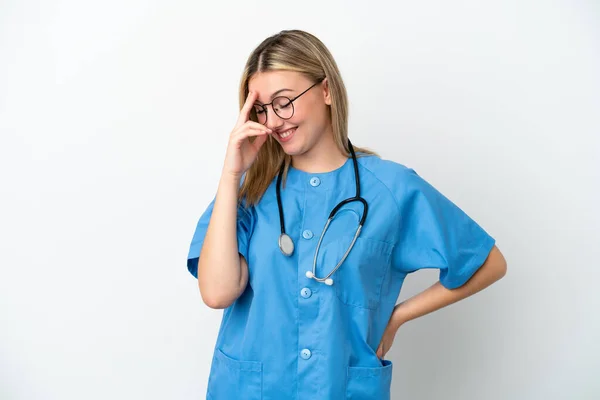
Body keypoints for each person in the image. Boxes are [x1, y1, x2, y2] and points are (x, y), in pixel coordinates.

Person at [186, 29, 507, 400]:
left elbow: (488, 262)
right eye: (262, 108)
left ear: (326, 91)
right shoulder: (248, 193)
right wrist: (232, 174)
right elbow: (217, 292)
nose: (274, 120)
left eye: (284, 101)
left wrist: (398, 317)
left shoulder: (392, 189)